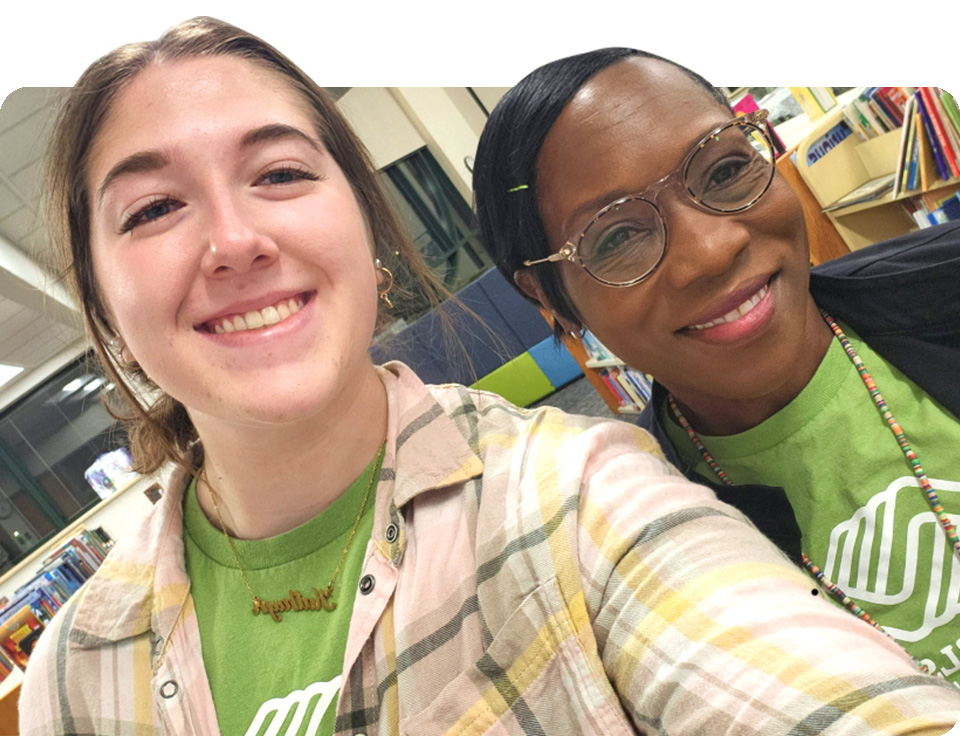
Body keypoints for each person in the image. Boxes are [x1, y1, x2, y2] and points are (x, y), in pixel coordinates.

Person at [20, 20, 960, 736]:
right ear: (103, 307)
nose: (234, 241)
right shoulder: (73, 671)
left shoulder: (581, 495)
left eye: (279, 174)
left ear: (369, 238)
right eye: (152, 209)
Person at [473, 47, 960, 684]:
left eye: (725, 169)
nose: (712, 248)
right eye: (616, 237)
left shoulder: (944, 291)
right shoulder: (640, 556)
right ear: (547, 296)